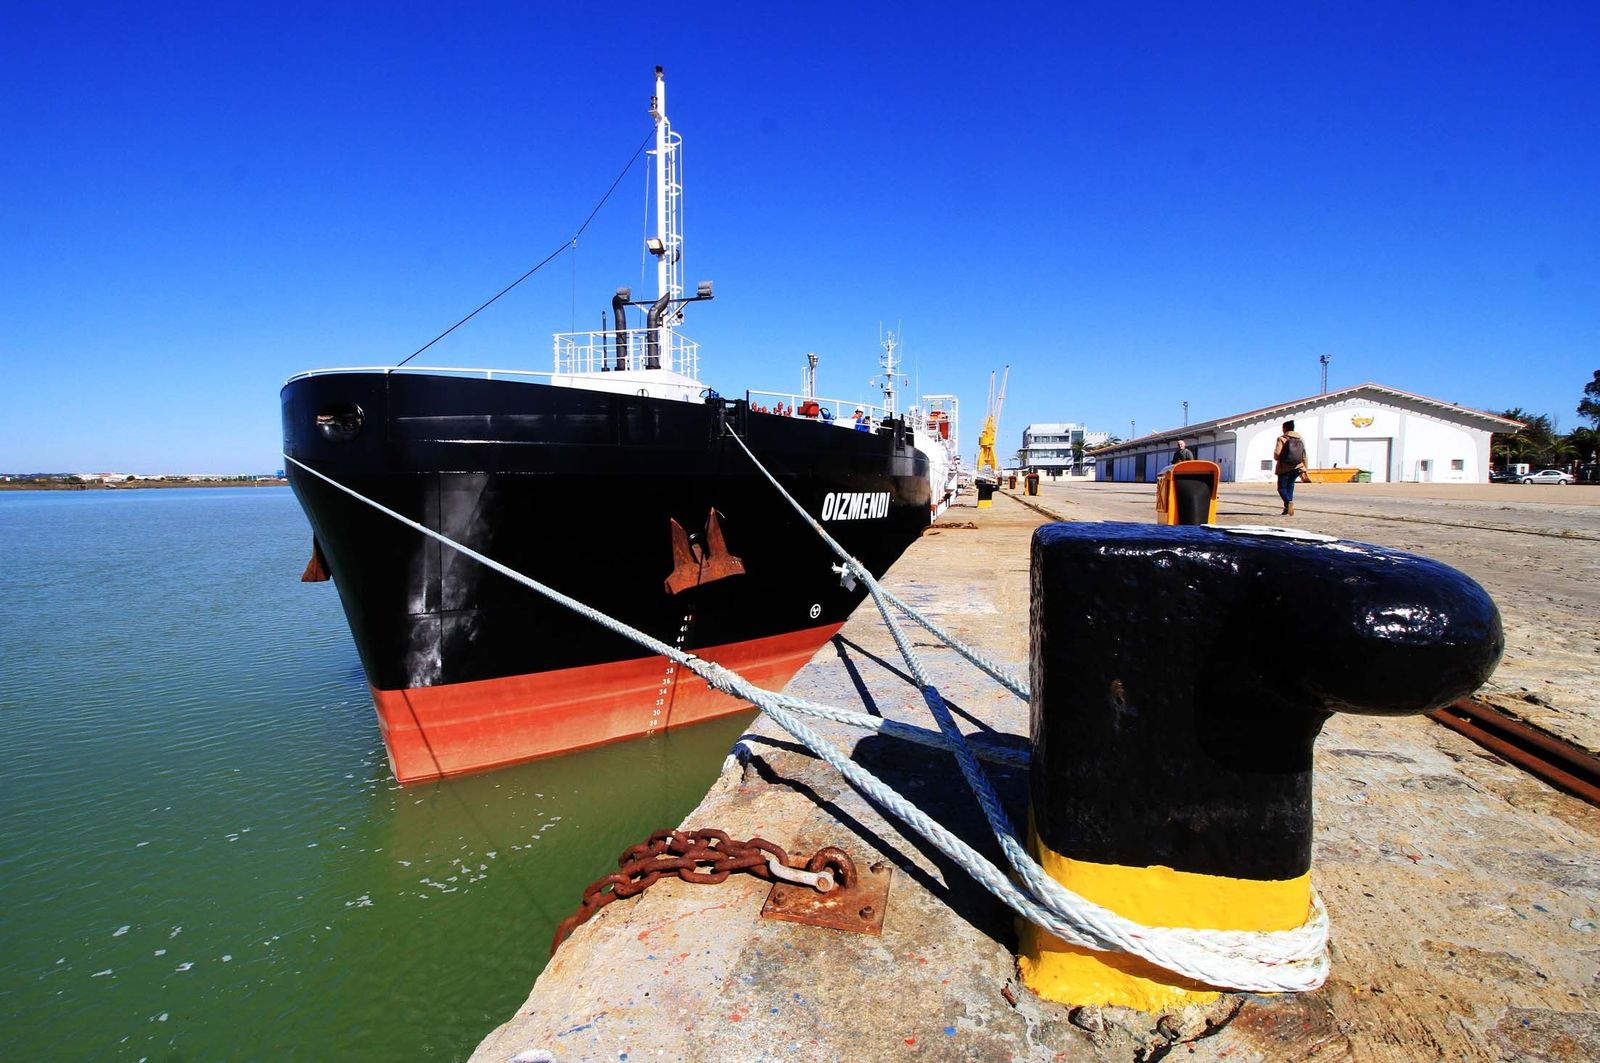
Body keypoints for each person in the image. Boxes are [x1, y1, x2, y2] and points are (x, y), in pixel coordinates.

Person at [1273, 420, 1308, 515]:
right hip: (1298, 467)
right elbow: (1304, 455)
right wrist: (1305, 469)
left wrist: (1278, 459)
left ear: (1284, 428)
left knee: (1281, 488)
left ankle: (1288, 502)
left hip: (1284, 467)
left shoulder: (1282, 438)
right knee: (1290, 485)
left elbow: (1277, 454)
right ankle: (1287, 508)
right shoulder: (1300, 439)